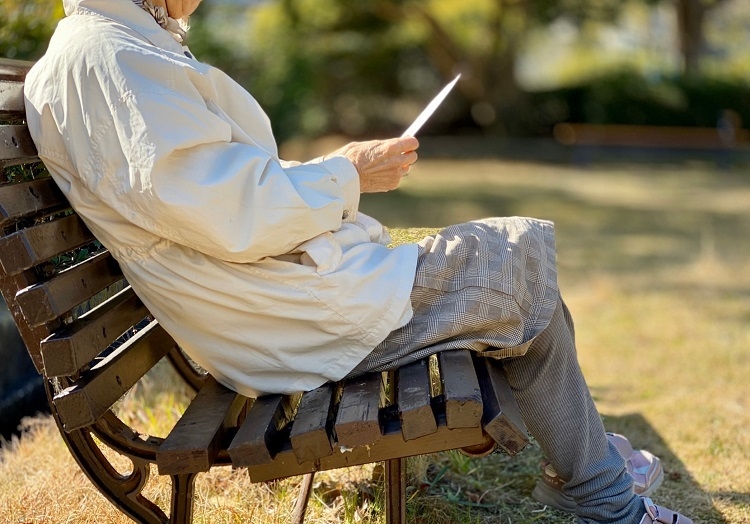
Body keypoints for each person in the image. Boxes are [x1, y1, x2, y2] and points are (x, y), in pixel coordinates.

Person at [23, 1, 691, 523]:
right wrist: (346, 174)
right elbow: (223, 210)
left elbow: (210, 191)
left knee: (513, 276)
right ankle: (603, 494)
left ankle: (589, 468)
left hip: (267, 291)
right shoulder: (110, 58)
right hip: (278, 311)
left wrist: (338, 171)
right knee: (515, 277)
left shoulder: (111, 50)